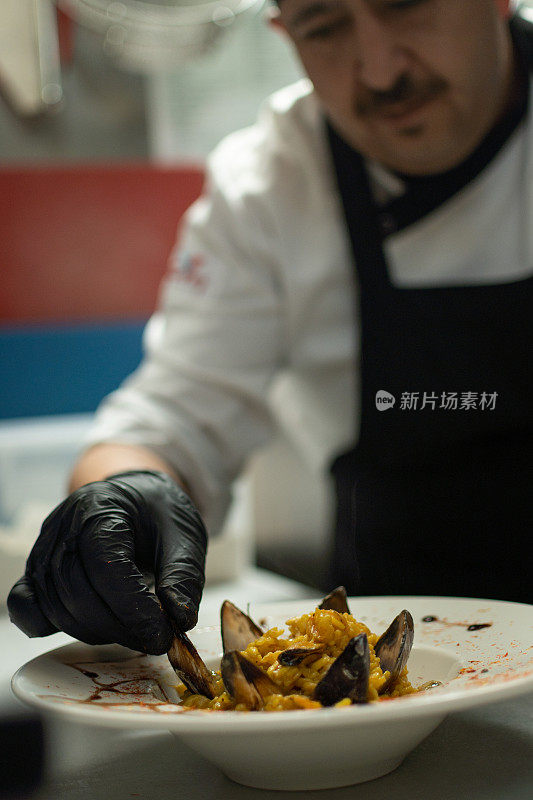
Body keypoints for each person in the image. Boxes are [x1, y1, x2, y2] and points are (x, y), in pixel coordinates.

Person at [8, 0, 532, 656]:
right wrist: (120, 497)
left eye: (405, 4)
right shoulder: (271, 184)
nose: (376, 71)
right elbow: (172, 421)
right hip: (399, 676)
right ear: (283, 34)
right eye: (323, 26)